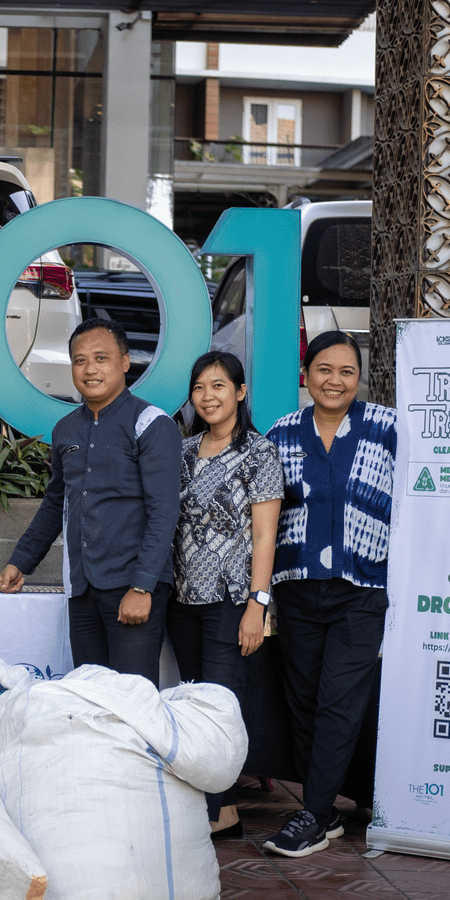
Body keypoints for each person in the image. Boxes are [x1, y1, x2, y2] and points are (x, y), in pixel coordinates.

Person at [261, 330, 396, 858]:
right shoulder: (282, 433)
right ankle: (328, 807)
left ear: (358, 379)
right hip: (296, 588)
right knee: (303, 701)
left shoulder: (387, 428)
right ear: (305, 375)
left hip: (362, 588)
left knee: (340, 701)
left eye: (346, 371)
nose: (334, 380)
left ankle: (314, 815)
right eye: (324, 369)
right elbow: (265, 514)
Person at [0, 319, 180, 677]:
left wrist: (142, 586)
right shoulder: (66, 429)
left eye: (100, 358)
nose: (89, 369)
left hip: (133, 586)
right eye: (79, 360)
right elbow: (55, 504)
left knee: (129, 702)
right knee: (89, 698)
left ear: (125, 362)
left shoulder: (151, 423)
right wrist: (21, 561)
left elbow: (164, 512)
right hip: (82, 590)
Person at [166, 351, 283, 839]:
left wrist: (258, 604)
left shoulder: (259, 453)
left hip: (232, 599)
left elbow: (264, 536)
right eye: (199, 388)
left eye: (219, 386)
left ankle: (223, 809)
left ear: (240, 392)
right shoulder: (184, 451)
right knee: (195, 705)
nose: (208, 396)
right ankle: (215, 807)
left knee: (221, 704)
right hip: (182, 599)